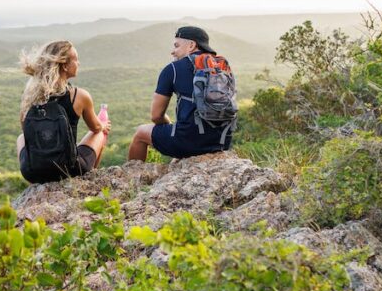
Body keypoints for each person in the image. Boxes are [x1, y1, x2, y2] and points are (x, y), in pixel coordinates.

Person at [128, 26, 233, 161]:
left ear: (191, 45)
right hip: (222, 141)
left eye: (176, 46)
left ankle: (132, 177)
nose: (173, 51)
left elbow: (156, 116)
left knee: (140, 133)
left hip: (188, 142)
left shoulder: (172, 69)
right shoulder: (221, 67)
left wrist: (170, 126)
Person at [17, 40, 111, 183]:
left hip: (33, 173)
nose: (78, 63)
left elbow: (26, 130)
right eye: (76, 59)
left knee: (20, 138)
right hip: (70, 170)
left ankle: (39, 184)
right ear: (65, 66)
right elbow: (96, 127)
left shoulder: (30, 97)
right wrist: (103, 125)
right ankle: (90, 178)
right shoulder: (80, 96)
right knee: (99, 133)